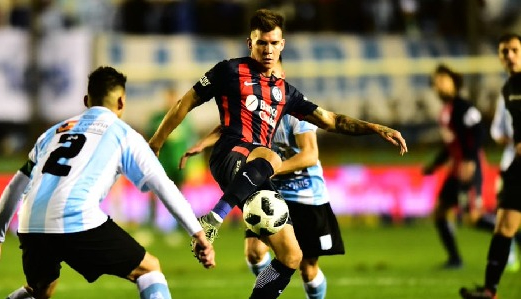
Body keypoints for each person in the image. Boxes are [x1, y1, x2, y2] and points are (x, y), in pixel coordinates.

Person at [148, 8, 407, 298]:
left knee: (291, 256)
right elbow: (186, 101)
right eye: (261, 43)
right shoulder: (229, 71)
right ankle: (213, 219)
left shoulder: (286, 93)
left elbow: (332, 121)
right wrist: (157, 142)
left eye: (274, 43)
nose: (268, 50)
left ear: (282, 45)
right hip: (230, 156)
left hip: (255, 172)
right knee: (272, 157)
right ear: (250, 43)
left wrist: (374, 127)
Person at [0, 66, 215, 299]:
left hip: (31, 223)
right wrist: (197, 233)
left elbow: (15, 187)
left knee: (40, 290)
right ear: (121, 102)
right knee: (149, 269)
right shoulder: (124, 134)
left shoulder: (52, 133)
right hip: (75, 217)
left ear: (86, 100)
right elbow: (163, 185)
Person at [181, 115, 344, 299]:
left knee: (307, 268)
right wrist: (203, 144)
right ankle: (266, 293)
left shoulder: (297, 111)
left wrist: (269, 167)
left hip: (305, 194)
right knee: (254, 253)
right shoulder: (256, 107)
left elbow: (310, 155)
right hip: (269, 193)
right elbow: (227, 127)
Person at [460, 33, 521, 299]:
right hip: (518, 166)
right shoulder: (508, 88)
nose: (509, 55)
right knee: (503, 226)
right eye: (504, 51)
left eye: (515, 50)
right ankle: (489, 291)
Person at [421, 63, 496, 269]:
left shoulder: (464, 107)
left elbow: (479, 132)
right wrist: (434, 165)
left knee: (473, 218)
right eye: (436, 83)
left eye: (443, 81)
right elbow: (450, 146)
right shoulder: (446, 111)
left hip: (471, 167)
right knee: (440, 211)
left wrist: (471, 160)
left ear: (455, 82)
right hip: (456, 170)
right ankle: (455, 259)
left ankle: (510, 233)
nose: (439, 86)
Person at [145, 84, 196, 233]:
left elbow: (189, 140)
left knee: (178, 196)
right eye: (169, 98)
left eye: (173, 98)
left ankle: (179, 225)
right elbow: (150, 138)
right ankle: (151, 222)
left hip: (178, 164)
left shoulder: (185, 119)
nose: (171, 101)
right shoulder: (157, 118)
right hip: (162, 163)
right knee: (155, 192)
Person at [490, 91, 521, 272]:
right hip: (510, 163)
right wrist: (512, 141)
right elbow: (496, 131)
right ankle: (509, 255)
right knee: (503, 209)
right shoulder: (507, 94)